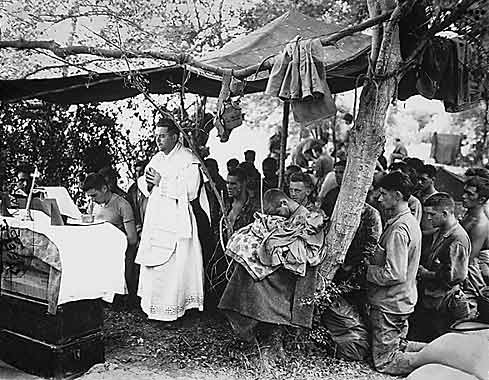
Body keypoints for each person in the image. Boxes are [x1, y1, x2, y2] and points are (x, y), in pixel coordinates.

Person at [219, 189, 323, 364]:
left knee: (248, 280)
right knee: (242, 273)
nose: (276, 216)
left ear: (283, 203)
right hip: (276, 265)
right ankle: (247, 333)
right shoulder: (289, 213)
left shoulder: (309, 217)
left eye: (276, 213)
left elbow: (303, 251)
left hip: (289, 274)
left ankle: (254, 335)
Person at [136, 118, 205, 321]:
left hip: (176, 217)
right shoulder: (157, 158)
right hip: (156, 216)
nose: (158, 140)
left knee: (175, 265)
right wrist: (148, 184)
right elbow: (144, 182)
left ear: (175, 137)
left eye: (163, 136)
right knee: (153, 264)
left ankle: (174, 309)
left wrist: (161, 182)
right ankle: (153, 308)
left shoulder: (187, 158)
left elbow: (192, 191)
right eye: (156, 136)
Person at [366, 171, 425, 375]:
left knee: (385, 361)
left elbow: (394, 274)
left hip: (390, 304)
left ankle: (438, 361)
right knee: (399, 346)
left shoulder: (399, 229)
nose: (379, 198)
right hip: (401, 301)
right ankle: (434, 352)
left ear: (398, 195)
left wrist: (367, 271)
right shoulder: (408, 222)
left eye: (383, 193)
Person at [415, 193, 471, 340]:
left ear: (445, 213)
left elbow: (456, 277)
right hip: (430, 299)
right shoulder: (441, 231)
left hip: (442, 303)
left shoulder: (458, 239)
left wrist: (427, 274)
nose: (428, 218)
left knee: (436, 339)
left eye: (431, 214)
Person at [82, 172, 138, 307]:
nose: (92, 200)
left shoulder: (122, 205)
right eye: (90, 197)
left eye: (94, 195)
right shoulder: (94, 205)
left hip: (118, 251)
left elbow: (132, 239)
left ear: (104, 188)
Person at [460, 176, 489, 291]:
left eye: (469, 194)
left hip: (469, 275)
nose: (463, 196)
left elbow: (469, 259)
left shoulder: (480, 225)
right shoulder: (469, 214)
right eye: (464, 192)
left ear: (481, 200)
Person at [226, 167, 260, 233]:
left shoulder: (254, 209)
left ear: (244, 183)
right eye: (227, 183)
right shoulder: (225, 205)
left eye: (233, 184)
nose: (229, 187)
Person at [127, 160, 149, 237]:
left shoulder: (152, 189)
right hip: (139, 232)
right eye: (136, 171)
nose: (139, 174)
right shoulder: (132, 190)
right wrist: (138, 230)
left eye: (142, 171)